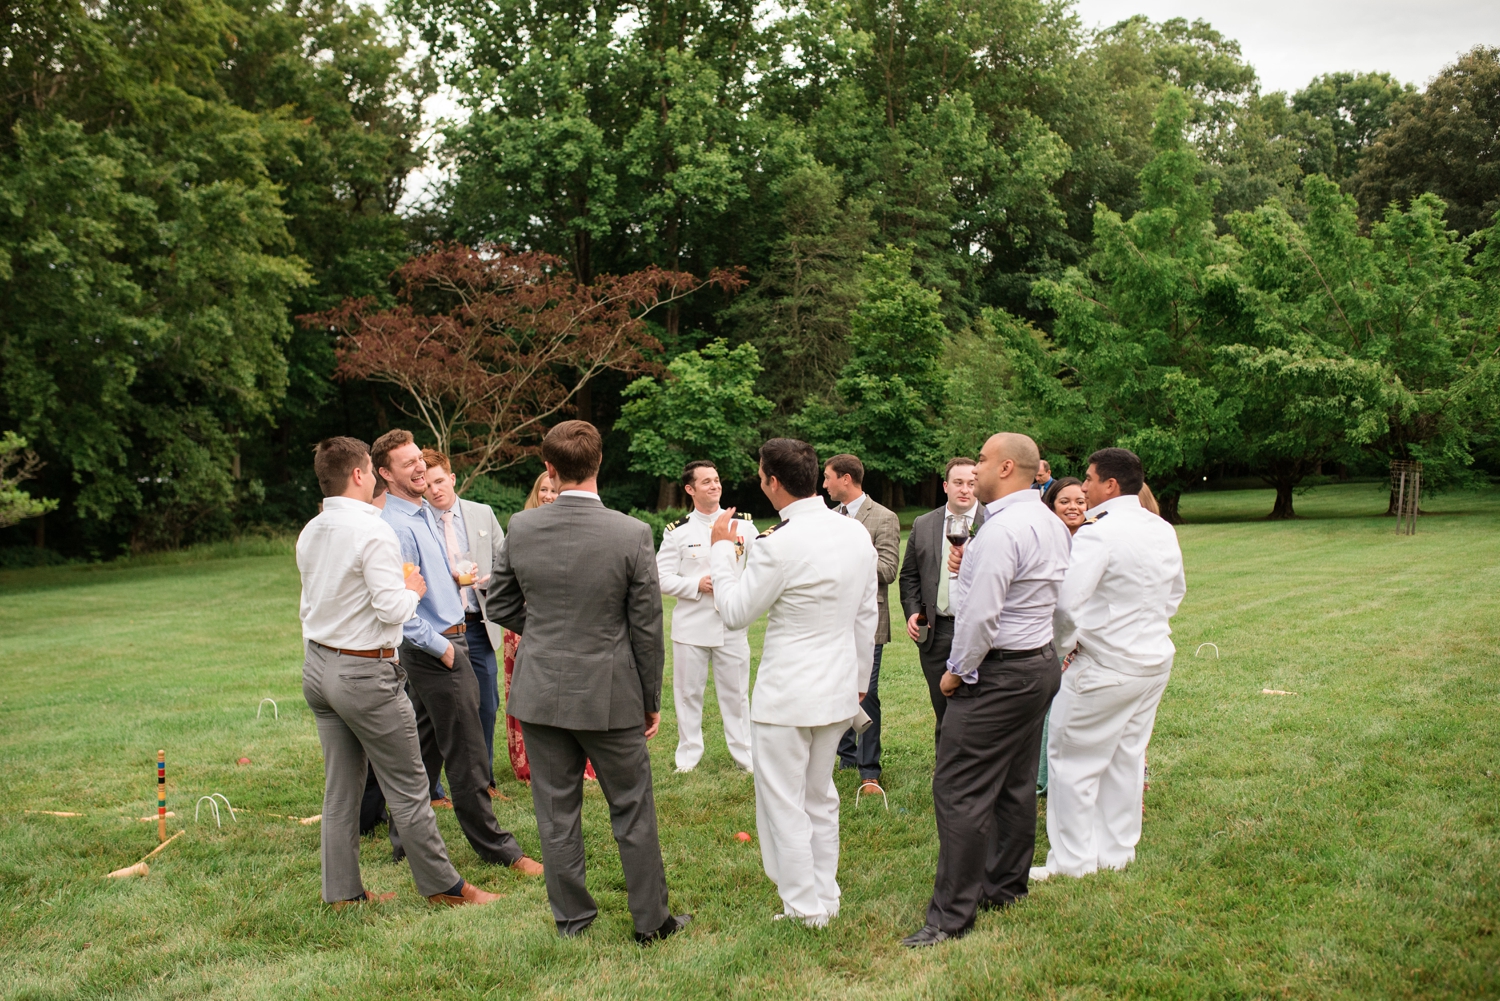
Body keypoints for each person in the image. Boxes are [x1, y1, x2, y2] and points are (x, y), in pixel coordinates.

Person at [486, 421, 690, 943]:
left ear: (549, 469)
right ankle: (651, 922)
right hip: (610, 691)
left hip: (541, 690)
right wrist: (650, 699)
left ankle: (572, 920)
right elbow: (646, 626)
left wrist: (549, 636)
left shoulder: (523, 527)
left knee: (555, 813)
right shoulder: (631, 532)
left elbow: (501, 603)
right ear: (600, 464)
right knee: (631, 808)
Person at [297, 436, 500, 909]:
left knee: (340, 792)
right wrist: (411, 588)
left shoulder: (312, 529)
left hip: (318, 667)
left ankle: (343, 894)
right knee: (410, 788)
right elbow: (393, 611)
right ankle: (444, 888)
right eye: (370, 467)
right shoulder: (372, 532)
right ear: (360, 475)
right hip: (365, 674)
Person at [902, 433, 1070, 947]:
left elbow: (980, 617)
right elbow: (1063, 602)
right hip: (1038, 664)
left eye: (979, 459)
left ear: (1004, 467)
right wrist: (1057, 649)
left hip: (996, 671)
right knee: (1016, 782)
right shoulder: (1048, 520)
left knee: (959, 788)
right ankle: (1005, 886)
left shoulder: (1003, 530)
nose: (973, 468)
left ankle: (950, 917)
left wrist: (956, 672)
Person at [709, 438, 878, 927]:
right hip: (839, 687)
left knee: (784, 802)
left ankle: (806, 907)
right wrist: (861, 679)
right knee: (820, 796)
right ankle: (825, 898)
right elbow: (867, 612)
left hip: (787, 695)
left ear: (772, 481)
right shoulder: (853, 534)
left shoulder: (778, 544)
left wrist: (722, 553)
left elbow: (737, 612)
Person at [373, 429, 543, 877]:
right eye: (406, 463)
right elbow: (400, 607)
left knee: (424, 749)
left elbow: (426, 581)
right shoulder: (395, 527)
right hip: (437, 644)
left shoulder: (424, 511)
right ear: (384, 474)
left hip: (453, 634)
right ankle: (498, 848)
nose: (418, 468)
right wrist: (444, 649)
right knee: (467, 754)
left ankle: (403, 841)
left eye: (419, 459)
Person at [1032, 448, 1185, 882]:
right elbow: (1175, 593)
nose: (1083, 487)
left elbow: (1066, 605)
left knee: (1072, 760)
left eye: (1089, 478)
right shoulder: (1160, 528)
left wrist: (1063, 647)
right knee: (1126, 757)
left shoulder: (1099, 532)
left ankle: (1073, 862)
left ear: (1110, 485)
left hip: (1103, 664)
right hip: (1154, 659)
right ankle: (1117, 853)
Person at [656, 459, 758, 773]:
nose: (714, 486)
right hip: (692, 626)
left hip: (731, 623)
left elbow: (759, 569)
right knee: (688, 695)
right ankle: (687, 759)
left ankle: (746, 758)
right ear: (690, 489)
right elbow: (659, 576)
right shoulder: (678, 532)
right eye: (706, 482)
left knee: (737, 696)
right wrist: (695, 584)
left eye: (716, 480)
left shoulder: (744, 527)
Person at [421, 449, 508, 798]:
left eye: (439, 480)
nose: (435, 490)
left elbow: (505, 560)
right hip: (437, 628)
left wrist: (490, 580)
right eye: (427, 485)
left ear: (452, 478)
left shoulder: (481, 513)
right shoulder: (420, 519)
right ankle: (432, 790)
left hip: (477, 623)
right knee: (432, 712)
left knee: (486, 705)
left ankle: (483, 783)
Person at [822, 453, 899, 798]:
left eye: (828, 478)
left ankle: (870, 771)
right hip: (830, 620)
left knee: (865, 695)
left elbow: (888, 569)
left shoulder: (884, 517)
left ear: (846, 479)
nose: (824, 485)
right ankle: (847, 756)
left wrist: (847, 563)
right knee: (837, 689)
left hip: (869, 620)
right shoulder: (827, 519)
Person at [898, 457, 986, 746]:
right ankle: (947, 771)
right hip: (936, 632)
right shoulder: (924, 524)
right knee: (944, 709)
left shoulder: (993, 522)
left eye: (972, 483)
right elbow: (909, 576)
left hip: (980, 632)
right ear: (946, 486)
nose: (965, 489)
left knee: (977, 711)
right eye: (958, 483)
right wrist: (913, 613)